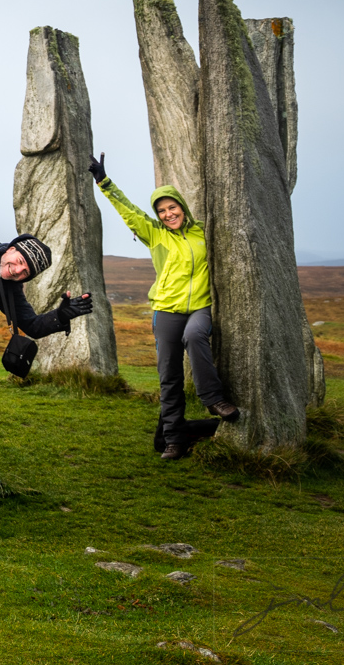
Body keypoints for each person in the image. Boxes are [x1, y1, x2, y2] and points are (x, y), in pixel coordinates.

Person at [91, 154, 238, 459]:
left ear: (182, 207)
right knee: (168, 376)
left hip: (199, 307)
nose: (169, 214)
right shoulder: (155, 235)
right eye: (162, 211)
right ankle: (173, 440)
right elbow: (129, 211)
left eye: (172, 207)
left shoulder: (202, 233)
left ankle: (213, 399)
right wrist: (104, 182)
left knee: (196, 336)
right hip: (166, 311)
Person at [0, 221, 96, 352]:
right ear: (11, 249)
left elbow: (33, 326)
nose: (18, 270)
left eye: (25, 272)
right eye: (20, 261)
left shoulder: (10, 290)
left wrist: (60, 316)